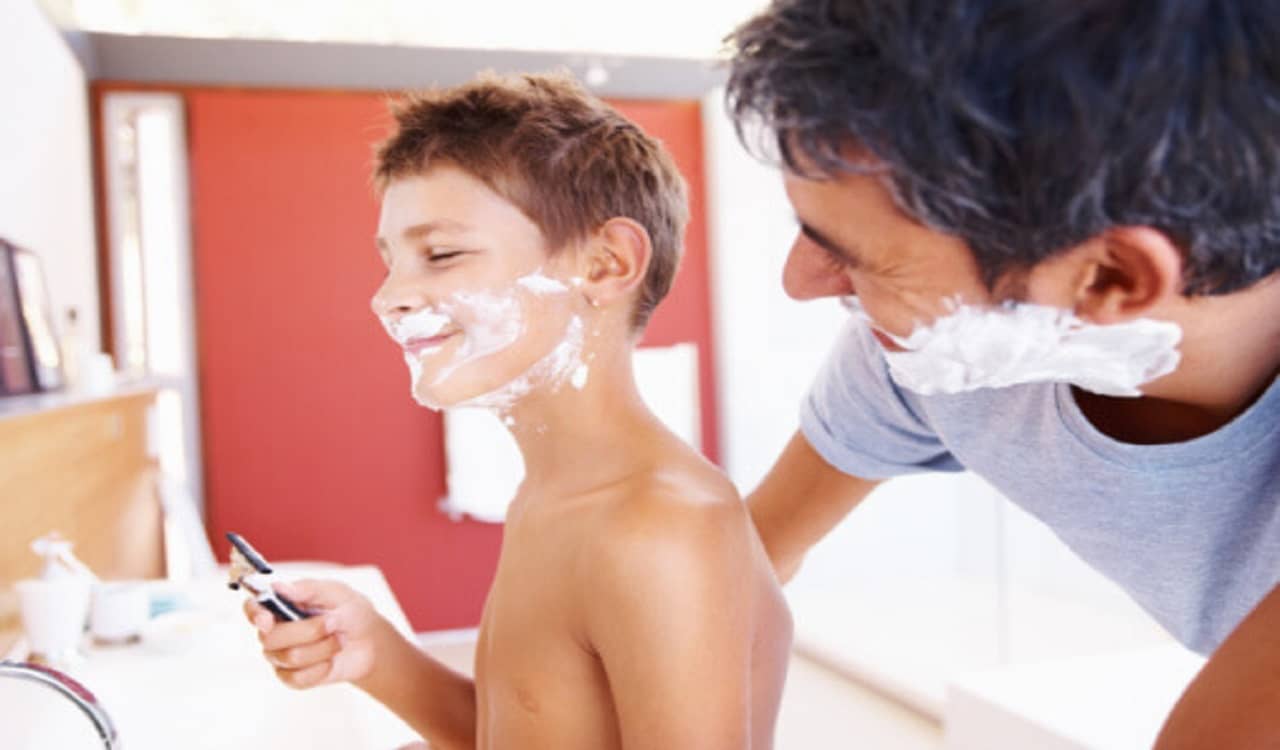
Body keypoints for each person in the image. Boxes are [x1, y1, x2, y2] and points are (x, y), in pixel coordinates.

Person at [726, 0, 1280, 746]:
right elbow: (744, 564)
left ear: (1109, 278)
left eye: (858, 256)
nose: (800, 282)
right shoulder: (931, 351)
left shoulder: (955, 333)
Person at [239, 73, 791, 750]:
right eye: (391, 262)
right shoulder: (554, 493)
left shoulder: (659, 528)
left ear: (605, 264)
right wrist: (375, 652)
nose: (388, 297)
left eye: (441, 254)